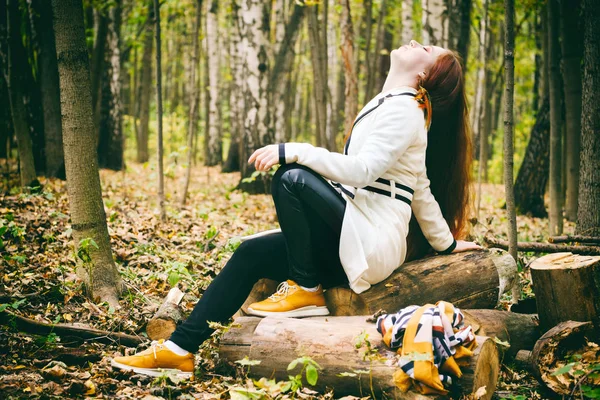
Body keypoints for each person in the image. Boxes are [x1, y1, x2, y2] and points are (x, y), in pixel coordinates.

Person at [110, 40, 481, 378]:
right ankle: (179, 350)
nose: (418, 41)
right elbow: (422, 187)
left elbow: (363, 170)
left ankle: (306, 288)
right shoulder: (391, 104)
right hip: (352, 231)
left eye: (429, 48)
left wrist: (296, 150)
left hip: (370, 240)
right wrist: (446, 243)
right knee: (251, 253)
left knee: (292, 177)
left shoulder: (405, 111)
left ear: (423, 75)